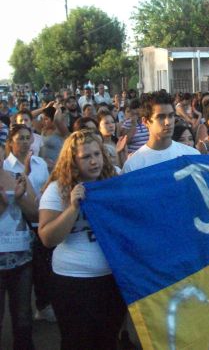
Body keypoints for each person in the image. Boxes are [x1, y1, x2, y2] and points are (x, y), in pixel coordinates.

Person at [38, 130, 126, 349]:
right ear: (73, 161)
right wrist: (73, 208)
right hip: (72, 281)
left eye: (97, 154)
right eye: (86, 157)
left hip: (112, 278)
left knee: (108, 340)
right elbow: (47, 238)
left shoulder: (115, 177)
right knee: (76, 341)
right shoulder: (57, 188)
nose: (94, 161)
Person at [0, 139, 38, 349]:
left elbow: (35, 214)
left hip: (21, 258)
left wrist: (20, 197)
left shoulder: (17, 177)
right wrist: (5, 204)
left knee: (23, 315)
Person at [122, 91, 200, 173]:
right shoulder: (133, 165)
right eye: (161, 117)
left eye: (171, 116)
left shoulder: (192, 155)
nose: (168, 122)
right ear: (145, 121)